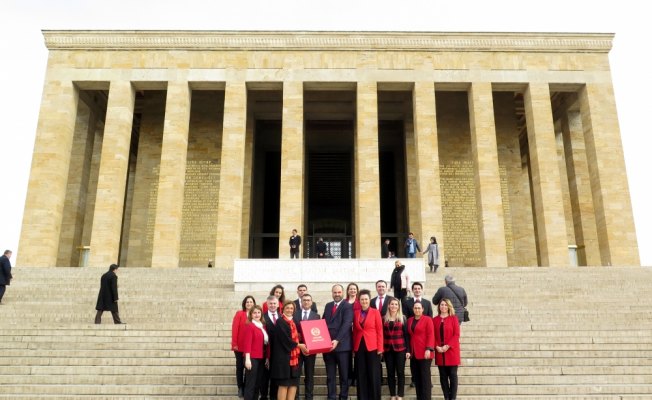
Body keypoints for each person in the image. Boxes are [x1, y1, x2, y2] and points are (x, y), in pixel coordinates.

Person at [271, 301, 308, 400]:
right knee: (284, 384)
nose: (289, 310)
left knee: (293, 384)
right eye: (287, 308)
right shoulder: (280, 322)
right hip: (283, 359)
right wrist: (300, 345)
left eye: (291, 308)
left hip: (294, 359)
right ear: (283, 309)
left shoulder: (294, 322)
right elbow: (285, 340)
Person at [323, 284, 353, 400]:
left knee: (344, 376)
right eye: (335, 292)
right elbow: (323, 323)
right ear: (332, 293)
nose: (337, 295)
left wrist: (337, 340)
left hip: (342, 347)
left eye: (339, 292)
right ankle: (331, 397)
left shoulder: (347, 306)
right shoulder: (328, 305)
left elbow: (346, 324)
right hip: (328, 347)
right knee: (330, 376)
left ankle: (343, 397)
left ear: (343, 293)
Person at [352, 289, 383, 400]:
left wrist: (380, 348)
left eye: (366, 299)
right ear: (359, 301)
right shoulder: (356, 313)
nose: (364, 301)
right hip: (359, 346)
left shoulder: (375, 312)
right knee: (361, 374)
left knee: (373, 374)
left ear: (369, 300)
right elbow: (355, 331)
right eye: (362, 299)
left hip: (373, 346)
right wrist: (353, 349)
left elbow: (379, 331)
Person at [402, 281, 433, 388]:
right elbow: (405, 319)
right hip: (412, 336)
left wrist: (429, 347)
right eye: (415, 288)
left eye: (419, 288)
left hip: (424, 339)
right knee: (414, 365)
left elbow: (430, 322)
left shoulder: (427, 303)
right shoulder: (407, 303)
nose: (417, 290)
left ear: (421, 290)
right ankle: (414, 379)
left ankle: (426, 382)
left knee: (424, 368)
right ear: (412, 290)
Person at [293, 293, 320, 400]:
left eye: (308, 300)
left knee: (309, 375)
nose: (306, 302)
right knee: (296, 374)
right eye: (304, 300)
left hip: (310, 350)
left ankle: (309, 397)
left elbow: (318, 333)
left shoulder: (316, 316)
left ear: (311, 302)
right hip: (298, 349)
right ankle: (296, 397)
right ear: (301, 302)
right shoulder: (295, 314)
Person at [383, 297, 410, 400]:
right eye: (392, 304)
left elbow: (406, 335)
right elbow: (382, 335)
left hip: (400, 349)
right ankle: (393, 394)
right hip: (388, 349)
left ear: (398, 306)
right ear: (388, 305)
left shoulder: (402, 318)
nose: (394, 306)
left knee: (400, 372)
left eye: (396, 304)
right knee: (390, 372)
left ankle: (400, 394)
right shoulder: (383, 318)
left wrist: (408, 350)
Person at [434, 299, 461, 400]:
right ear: (439, 306)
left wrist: (448, 346)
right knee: (443, 377)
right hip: (440, 352)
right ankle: (446, 397)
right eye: (441, 304)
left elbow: (456, 334)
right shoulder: (434, 320)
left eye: (445, 305)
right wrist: (437, 346)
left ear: (449, 307)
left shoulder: (453, 319)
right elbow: (433, 336)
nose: (443, 307)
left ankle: (452, 398)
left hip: (452, 351)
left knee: (453, 375)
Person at [407, 302, 434, 400]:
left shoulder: (427, 320)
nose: (417, 310)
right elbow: (409, 336)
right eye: (415, 308)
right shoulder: (409, 320)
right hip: (414, 354)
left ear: (422, 309)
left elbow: (431, 335)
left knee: (425, 379)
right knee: (417, 378)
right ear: (413, 309)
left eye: (419, 308)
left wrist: (428, 348)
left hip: (424, 353)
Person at [242, 305, 269, 400]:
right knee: (251, 384)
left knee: (258, 383)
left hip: (261, 358)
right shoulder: (250, 326)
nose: (257, 315)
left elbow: (265, 344)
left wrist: (266, 358)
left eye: (258, 312)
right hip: (252, 358)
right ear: (251, 314)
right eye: (254, 313)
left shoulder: (262, 326)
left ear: (261, 314)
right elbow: (247, 344)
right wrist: (247, 359)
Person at [233, 295, 256, 398]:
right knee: (240, 367)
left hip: (250, 347)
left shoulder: (255, 315)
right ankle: (240, 387)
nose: (249, 304)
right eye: (247, 302)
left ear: (254, 304)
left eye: (251, 302)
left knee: (248, 368)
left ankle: (247, 386)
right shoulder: (240, 314)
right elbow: (235, 329)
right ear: (244, 303)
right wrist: (234, 344)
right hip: (240, 346)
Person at [261, 296, 281, 400]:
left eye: (274, 303)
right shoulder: (262, 317)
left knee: (276, 377)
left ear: (278, 304)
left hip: (279, 353)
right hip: (265, 353)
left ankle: (274, 397)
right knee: (264, 377)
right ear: (267, 305)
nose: (272, 305)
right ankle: (263, 396)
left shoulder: (282, 317)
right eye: (270, 304)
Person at [345, 282, 360, 388]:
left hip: (357, 332)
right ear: (348, 291)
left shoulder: (360, 302)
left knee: (358, 356)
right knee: (348, 356)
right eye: (351, 289)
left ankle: (356, 377)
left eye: (354, 289)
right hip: (346, 333)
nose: (352, 291)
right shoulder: (344, 302)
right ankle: (349, 377)